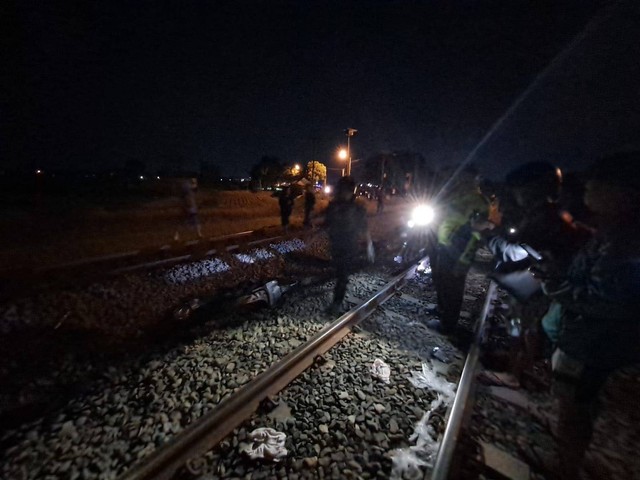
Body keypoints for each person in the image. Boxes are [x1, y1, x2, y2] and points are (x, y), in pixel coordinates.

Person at [541, 153, 640, 479]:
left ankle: (565, 469)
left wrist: (555, 286)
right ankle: (566, 460)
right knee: (576, 407)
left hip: (593, 344)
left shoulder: (622, 243)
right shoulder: (611, 232)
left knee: (576, 411)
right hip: (589, 340)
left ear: (622, 192)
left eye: (595, 186)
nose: (587, 191)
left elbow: (609, 302)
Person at [427, 167, 490, 335]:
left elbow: (477, 234)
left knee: (453, 287)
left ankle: (448, 325)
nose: (461, 182)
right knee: (441, 281)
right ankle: (442, 311)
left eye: (466, 179)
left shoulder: (479, 202)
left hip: (459, 251)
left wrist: (465, 260)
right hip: (444, 246)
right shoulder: (456, 196)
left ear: (475, 180)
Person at [325, 176, 375, 314]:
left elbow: (363, 227)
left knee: (342, 275)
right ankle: (337, 300)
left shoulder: (347, 207)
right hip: (341, 244)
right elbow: (327, 223)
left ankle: (337, 303)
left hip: (347, 245)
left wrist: (369, 244)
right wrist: (369, 244)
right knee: (341, 273)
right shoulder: (352, 207)